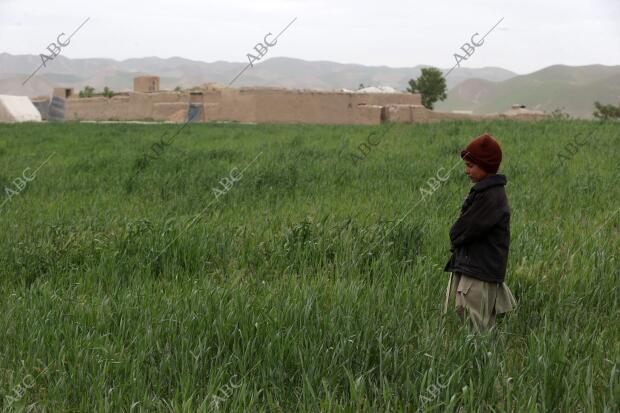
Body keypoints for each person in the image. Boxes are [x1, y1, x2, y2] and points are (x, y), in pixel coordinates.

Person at [443, 134, 517, 331]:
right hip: (476, 268)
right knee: (472, 326)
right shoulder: (488, 193)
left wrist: (455, 234)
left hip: (478, 273)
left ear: (486, 166)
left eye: (470, 165)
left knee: (475, 331)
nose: (466, 171)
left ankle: (481, 362)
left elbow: (460, 232)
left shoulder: (490, 197)